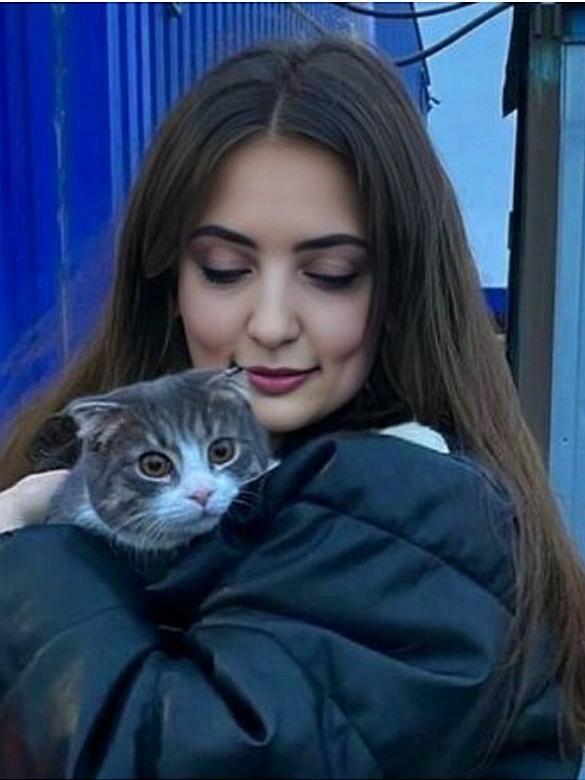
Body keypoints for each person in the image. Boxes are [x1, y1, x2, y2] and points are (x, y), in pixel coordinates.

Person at [0, 34, 583, 779]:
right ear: (169, 283)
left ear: (395, 293)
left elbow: (185, 760)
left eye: (330, 273)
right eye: (225, 269)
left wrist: (26, 550)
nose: (272, 323)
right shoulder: (128, 476)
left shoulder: (415, 513)